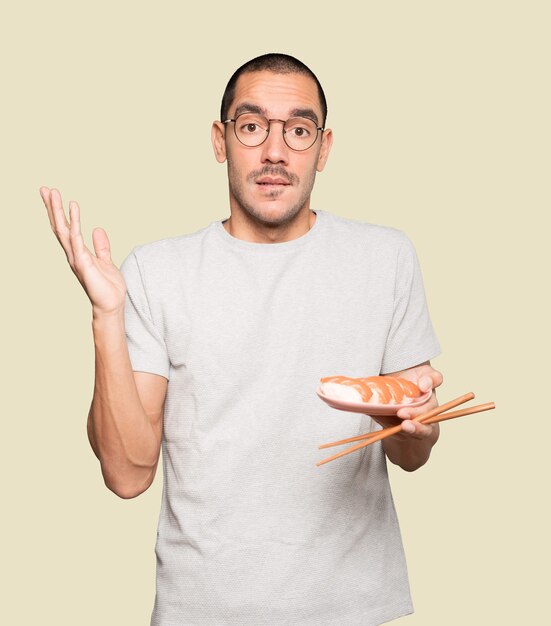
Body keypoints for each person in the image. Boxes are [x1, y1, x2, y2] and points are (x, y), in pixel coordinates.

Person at [41, 53, 443, 626]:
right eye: (252, 126)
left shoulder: (386, 258)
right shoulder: (157, 272)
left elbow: (412, 452)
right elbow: (127, 474)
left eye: (298, 131)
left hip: (355, 610)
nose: (275, 152)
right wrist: (107, 315)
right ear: (220, 139)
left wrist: (411, 427)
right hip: (202, 613)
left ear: (324, 149)